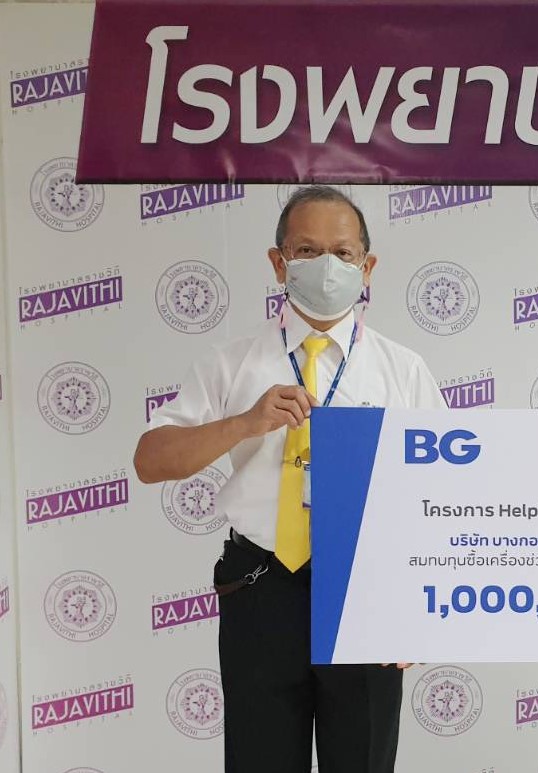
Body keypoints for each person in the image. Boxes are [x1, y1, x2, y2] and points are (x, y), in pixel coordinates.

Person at [134, 185, 445, 773]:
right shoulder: (231, 362)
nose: (327, 266)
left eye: (343, 253)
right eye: (307, 250)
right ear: (279, 263)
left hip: (366, 590)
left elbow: (439, 497)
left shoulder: (403, 370)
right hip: (261, 588)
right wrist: (245, 423)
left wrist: (416, 612)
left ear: (367, 267)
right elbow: (151, 460)